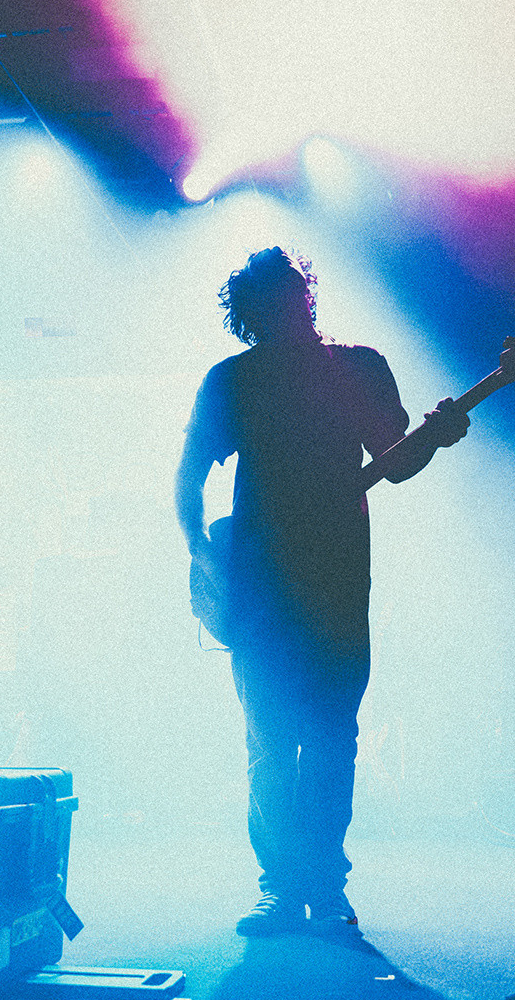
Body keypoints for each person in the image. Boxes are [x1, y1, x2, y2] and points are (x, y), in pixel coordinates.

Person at [175, 248, 468, 936]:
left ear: (302, 295)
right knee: (274, 743)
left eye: (286, 295)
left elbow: (395, 462)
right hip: (260, 590)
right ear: (250, 313)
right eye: (267, 302)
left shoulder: (358, 369)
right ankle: (284, 887)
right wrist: (203, 556)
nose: (281, 310)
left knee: (330, 739)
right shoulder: (233, 381)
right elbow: (188, 478)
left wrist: (435, 438)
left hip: (336, 583)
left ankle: (323, 887)